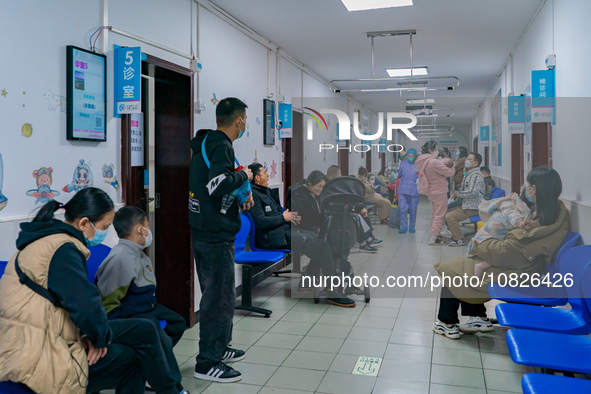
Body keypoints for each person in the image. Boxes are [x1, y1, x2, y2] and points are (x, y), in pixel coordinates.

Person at [0, 187, 186, 394]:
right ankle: (172, 391)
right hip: (41, 350)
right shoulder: (63, 250)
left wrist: (95, 336)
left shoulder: (43, 242)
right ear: (84, 223)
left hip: (37, 336)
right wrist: (98, 338)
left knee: (145, 330)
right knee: (138, 353)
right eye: (104, 227)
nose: (105, 234)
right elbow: (85, 304)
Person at [432, 167, 570, 339]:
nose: (525, 189)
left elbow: (506, 251)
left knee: (451, 272)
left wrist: (480, 243)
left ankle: (448, 323)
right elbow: (512, 248)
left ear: (534, 189)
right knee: (465, 267)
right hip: (523, 265)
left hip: (519, 272)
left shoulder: (537, 222)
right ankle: (479, 317)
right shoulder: (551, 213)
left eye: (527, 185)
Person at [188, 97, 254, 382]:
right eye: (244, 121)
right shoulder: (222, 145)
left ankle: (219, 347)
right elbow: (216, 185)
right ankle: (208, 362)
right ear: (239, 121)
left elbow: (212, 183)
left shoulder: (206, 141)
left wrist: (239, 193)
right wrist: (243, 175)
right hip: (214, 236)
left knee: (222, 296)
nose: (244, 126)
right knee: (218, 300)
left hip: (205, 230)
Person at [96, 206, 187, 393]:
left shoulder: (138, 252)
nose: (149, 230)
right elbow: (108, 301)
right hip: (132, 313)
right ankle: (174, 387)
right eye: (147, 225)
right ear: (139, 229)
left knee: (178, 323)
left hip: (147, 306)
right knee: (160, 338)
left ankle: (151, 362)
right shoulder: (121, 258)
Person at [289, 170, 356, 307]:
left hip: (309, 227)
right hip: (302, 229)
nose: (321, 190)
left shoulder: (312, 194)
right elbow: (310, 216)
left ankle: (309, 278)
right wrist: (327, 218)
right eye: (318, 186)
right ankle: (328, 286)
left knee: (328, 241)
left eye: (322, 187)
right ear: (309, 184)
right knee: (324, 244)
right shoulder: (299, 194)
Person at [325, 165, 382, 252]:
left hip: (339, 210)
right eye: (339, 174)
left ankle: (368, 238)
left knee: (362, 216)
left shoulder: (334, 184)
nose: (340, 176)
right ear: (335, 174)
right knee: (356, 217)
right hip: (332, 213)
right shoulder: (329, 185)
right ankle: (363, 242)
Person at [414, 141, 456, 245]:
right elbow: (449, 172)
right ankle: (433, 237)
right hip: (439, 190)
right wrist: (452, 165)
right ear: (430, 150)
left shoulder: (422, 161)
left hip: (431, 191)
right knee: (440, 214)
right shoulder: (433, 162)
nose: (438, 151)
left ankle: (434, 234)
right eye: (436, 149)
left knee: (435, 213)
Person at [445, 152, 485, 247]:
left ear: (475, 163)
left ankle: (458, 239)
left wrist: (458, 193)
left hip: (473, 207)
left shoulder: (475, 176)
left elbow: (473, 192)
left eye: (469, 159)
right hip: (467, 205)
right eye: (467, 159)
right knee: (445, 211)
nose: (466, 161)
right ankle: (455, 235)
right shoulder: (469, 174)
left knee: (450, 216)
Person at [396, 148, 420, 233]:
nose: (410, 157)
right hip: (403, 189)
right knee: (402, 208)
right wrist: (395, 175)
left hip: (414, 190)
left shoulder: (419, 165)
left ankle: (412, 226)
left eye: (412, 156)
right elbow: (399, 174)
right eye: (409, 156)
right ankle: (404, 226)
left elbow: (422, 176)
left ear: (415, 156)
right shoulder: (402, 163)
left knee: (413, 209)